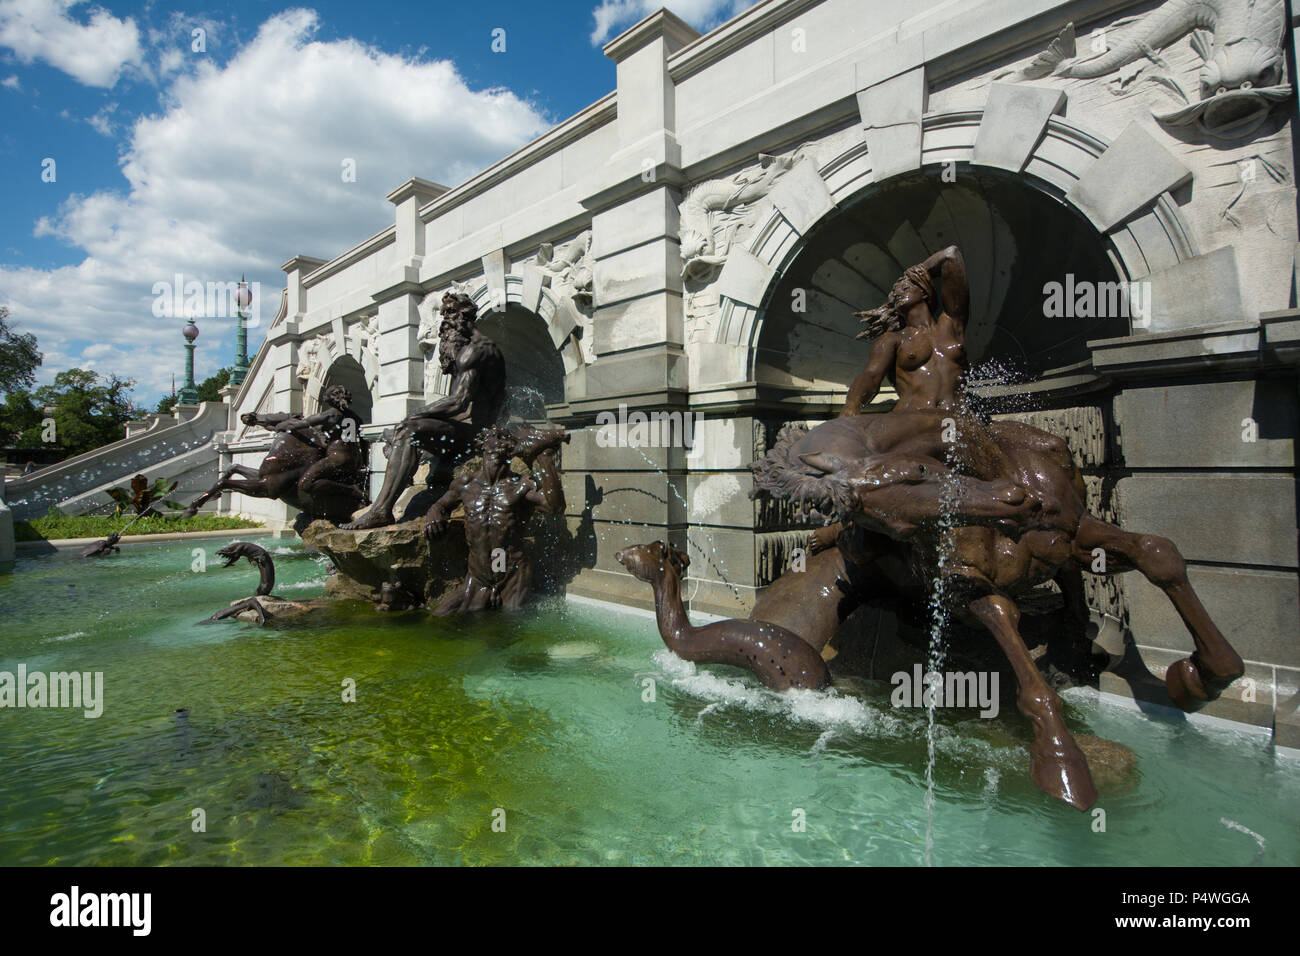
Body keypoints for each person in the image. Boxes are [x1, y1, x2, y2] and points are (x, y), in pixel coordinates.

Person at [343, 292, 506, 530]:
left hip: (478, 434)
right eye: (443, 313)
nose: (444, 319)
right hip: (463, 428)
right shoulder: (462, 348)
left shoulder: (477, 350)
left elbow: (458, 402)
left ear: (465, 316)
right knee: (395, 433)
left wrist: (415, 416)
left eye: (450, 313)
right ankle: (404, 467)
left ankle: (381, 510)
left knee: (409, 429)